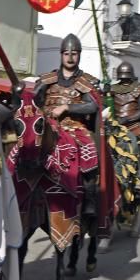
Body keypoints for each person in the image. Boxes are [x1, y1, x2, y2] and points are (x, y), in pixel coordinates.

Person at [33, 34, 102, 214]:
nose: (70, 57)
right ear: (61, 54)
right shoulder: (47, 79)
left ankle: (89, 197)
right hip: (49, 124)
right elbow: (35, 100)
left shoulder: (85, 81)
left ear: (79, 55)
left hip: (74, 126)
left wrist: (66, 106)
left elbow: (92, 105)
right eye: (66, 53)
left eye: (74, 53)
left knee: (89, 149)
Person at [108, 61, 140, 220]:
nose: (125, 81)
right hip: (116, 129)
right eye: (123, 78)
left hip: (135, 128)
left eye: (126, 78)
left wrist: (127, 119)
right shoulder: (113, 89)